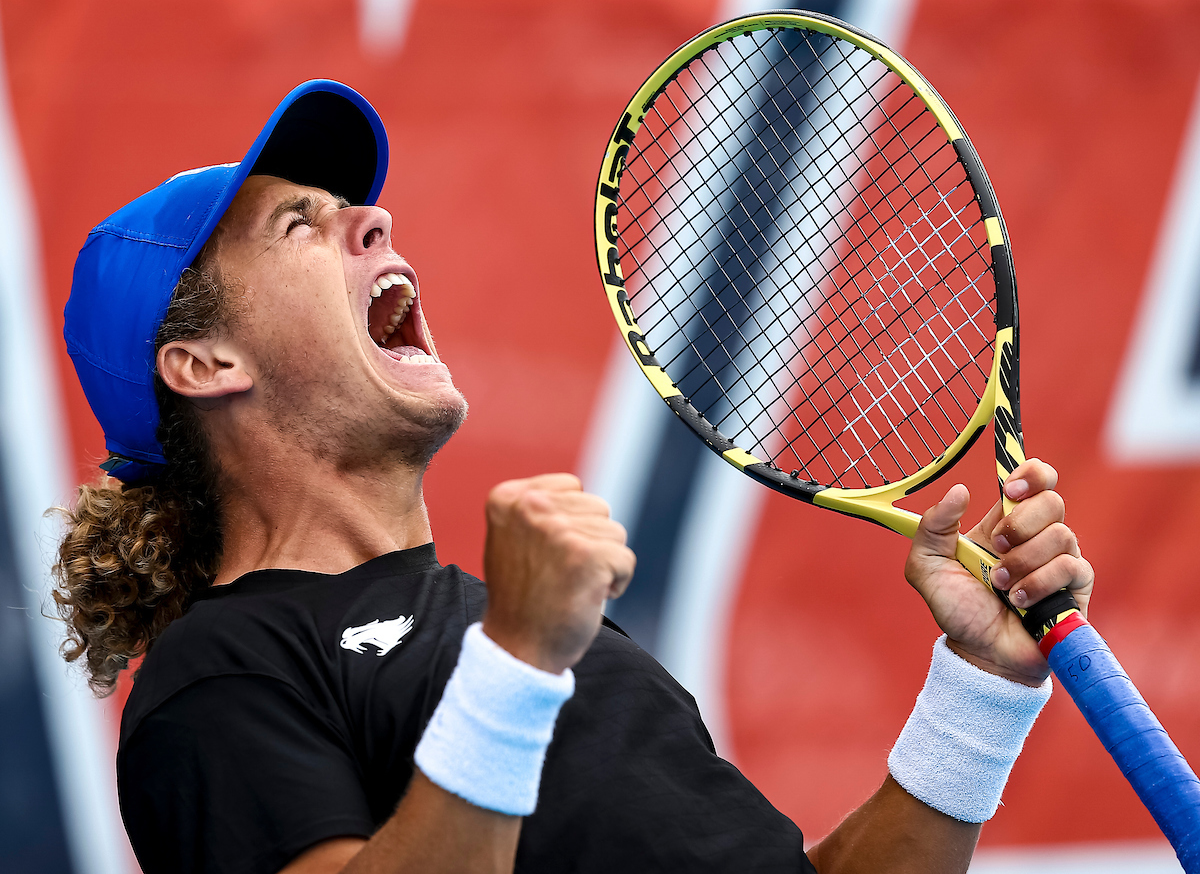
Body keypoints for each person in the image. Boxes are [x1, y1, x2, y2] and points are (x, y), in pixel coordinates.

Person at [54, 80, 1093, 874]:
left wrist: (981, 689)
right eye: (301, 224)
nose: (372, 221)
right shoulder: (219, 671)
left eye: (355, 208)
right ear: (202, 365)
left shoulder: (546, 636)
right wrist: (515, 663)